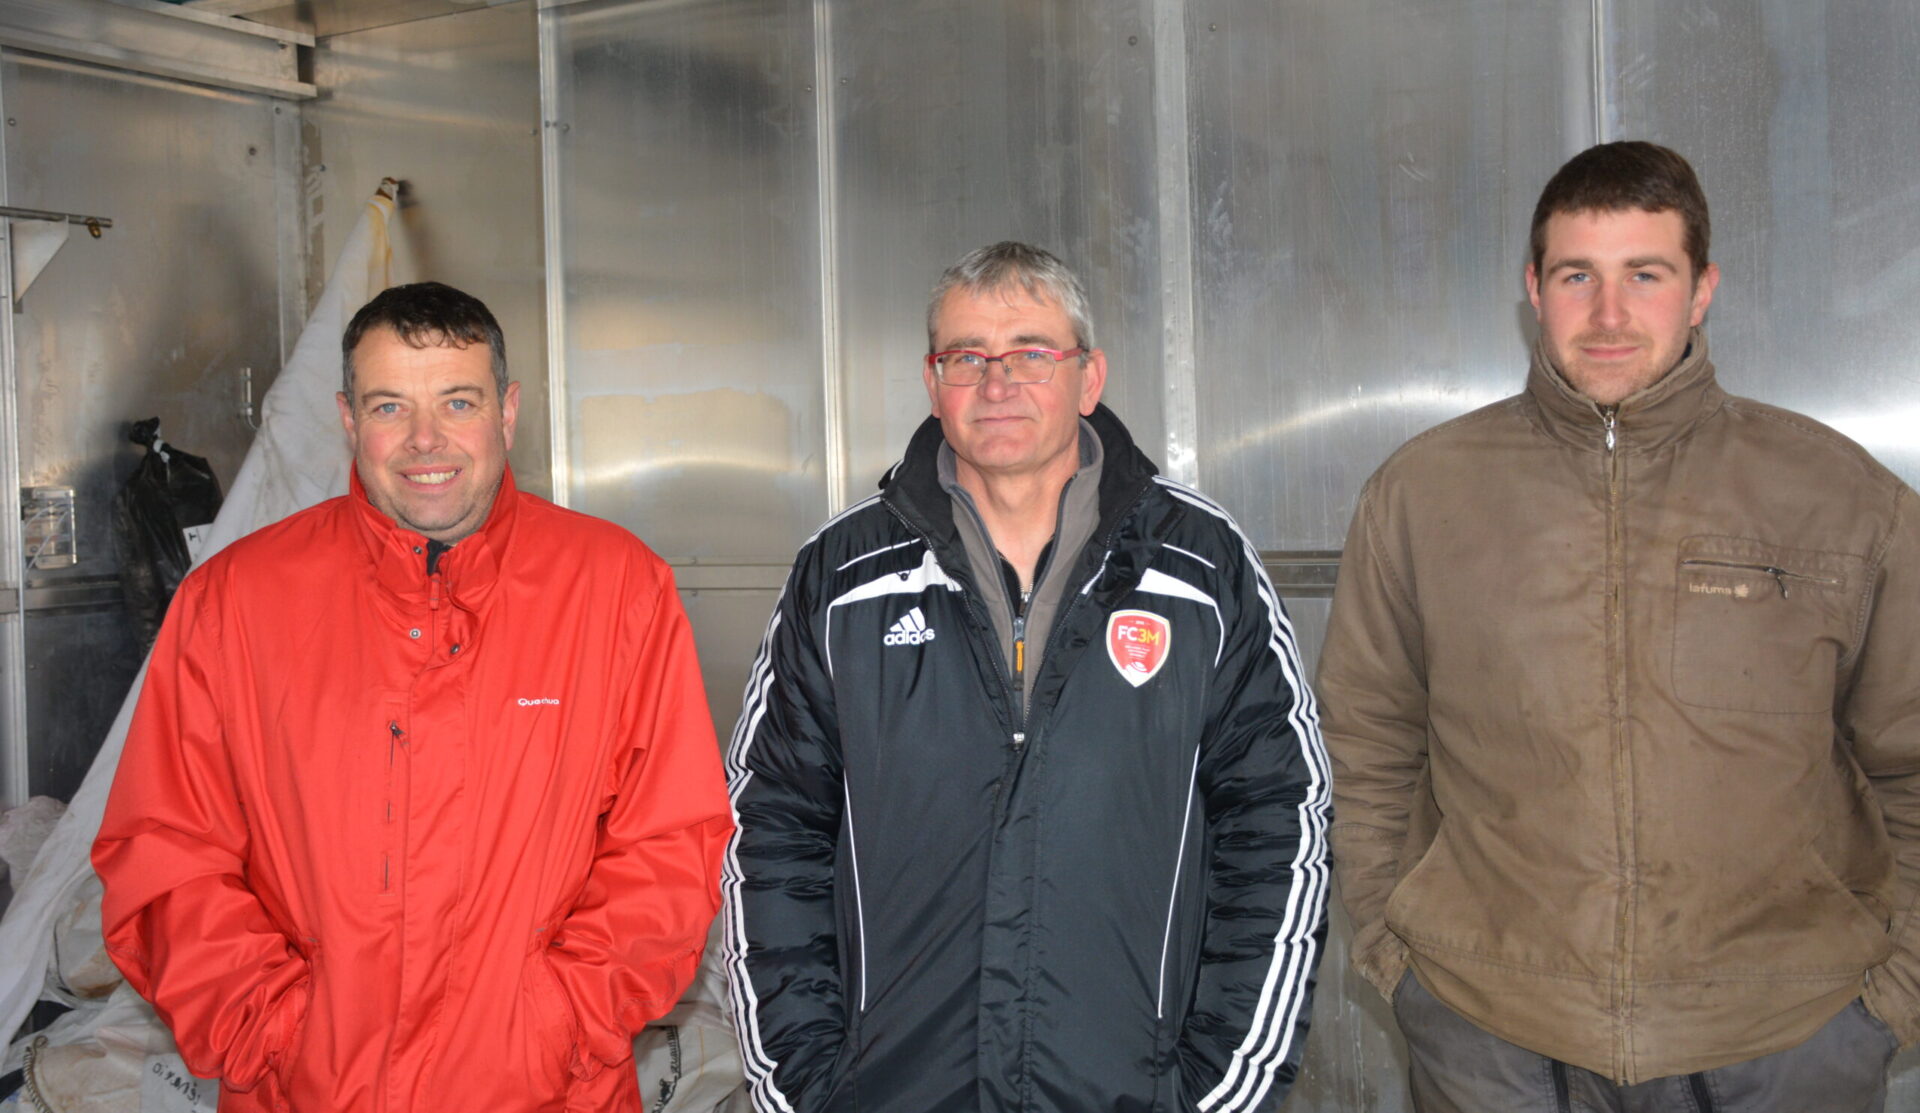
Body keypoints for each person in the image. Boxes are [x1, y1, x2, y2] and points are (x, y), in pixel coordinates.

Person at [1318, 142, 1919, 1112]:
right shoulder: (1423, 494)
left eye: (1645, 274)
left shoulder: (1842, 498)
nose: (1608, 315)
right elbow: (1366, 741)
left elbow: (1910, 761)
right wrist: (1403, 958)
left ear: (1701, 288)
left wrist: (1888, 1002)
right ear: (1533, 288)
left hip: (1785, 1037)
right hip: (1492, 1037)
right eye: (1576, 277)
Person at [93, 282, 733, 1112]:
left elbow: (669, 846)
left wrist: (560, 1019)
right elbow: (164, 848)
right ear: (350, 420)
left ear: (506, 413)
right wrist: (278, 1029)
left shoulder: (615, 588)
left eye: (456, 401)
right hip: (306, 1092)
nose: (425, 440)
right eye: (390, 405)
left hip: (547, 1091)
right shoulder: (235, 602)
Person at [723, 242, 1329, 1112]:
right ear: (933, 383)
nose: (996, 383)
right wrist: (809, 1081)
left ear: (1090, 379)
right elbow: (770, 829)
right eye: (966, 356)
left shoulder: (1201, 567)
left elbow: (1281, 820)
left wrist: (1218, 1086)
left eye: (1031, 354)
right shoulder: (841, 578)